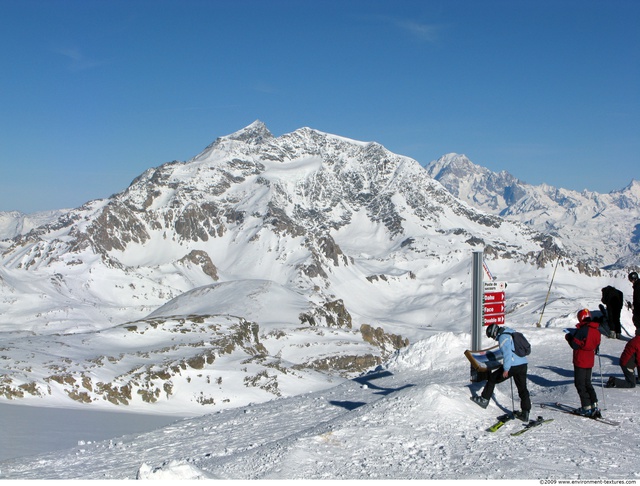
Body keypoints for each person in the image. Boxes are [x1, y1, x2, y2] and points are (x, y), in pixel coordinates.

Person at [471, 324, 531, 421]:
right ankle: (525, 413)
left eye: (492, 336)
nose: (493, 338)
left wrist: (506, 369)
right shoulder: (510, 331)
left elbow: (507, 354)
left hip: (512, 365)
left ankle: (484, 399)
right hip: (523, 363)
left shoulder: (503, 337)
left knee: (492, 378)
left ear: (494, 332)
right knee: (522, 388)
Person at [565, 309, 602, 418]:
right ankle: (594, 404)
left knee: (580, 384)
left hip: (580, 359)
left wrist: (568, 337)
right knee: (587, 383)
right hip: (590, 359)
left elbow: (575, 344)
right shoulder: (596, 329)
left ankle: (586, 407)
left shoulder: (583, 330)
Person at [628, 272, 640, 336]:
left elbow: (638, 299)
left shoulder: (638, 286)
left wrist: (635, 308)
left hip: (638, 308)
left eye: (631, 280)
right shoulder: (637, 285)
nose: (631, 281)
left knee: (637, 321)